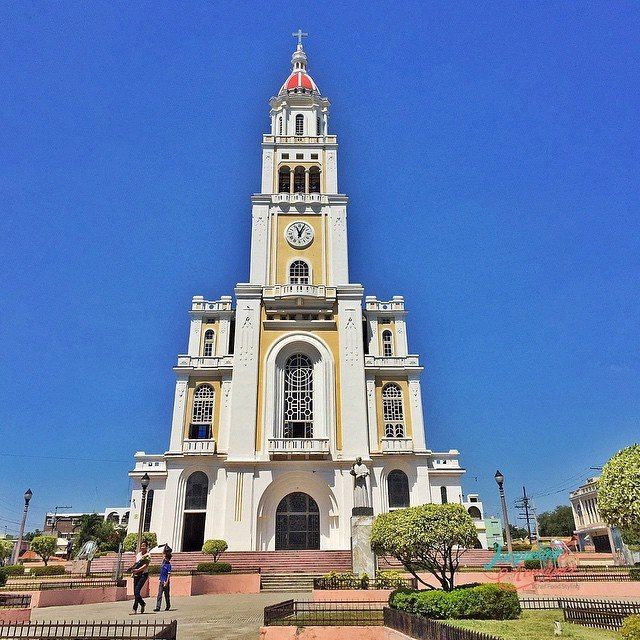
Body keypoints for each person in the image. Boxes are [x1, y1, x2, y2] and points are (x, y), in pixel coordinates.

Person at [129, 540, 150, 615]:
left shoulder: (148, 555)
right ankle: (142, 603)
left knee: (137, 591)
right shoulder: (138, 555)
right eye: (141, 546)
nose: (142, 547)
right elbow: (135, 563)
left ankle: (134, 609)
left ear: (147, 547)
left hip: (143, 575)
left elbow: (145, 566)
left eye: (144, 546)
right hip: (136, 575)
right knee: (135, 592)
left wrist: (138, 570)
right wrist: (133, 569)